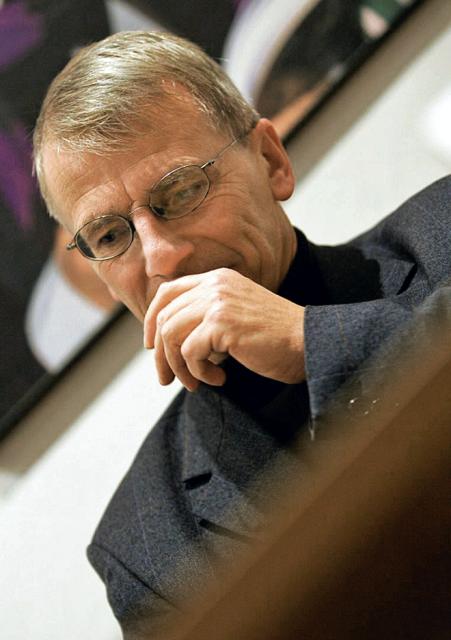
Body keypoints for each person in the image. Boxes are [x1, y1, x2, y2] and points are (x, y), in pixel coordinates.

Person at [32, 31, 451, 637]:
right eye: (111, 236)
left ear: (271, 161)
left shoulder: (443, 232)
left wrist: (313, 342)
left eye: (181, 191)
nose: (162, 258)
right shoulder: (145, 541)